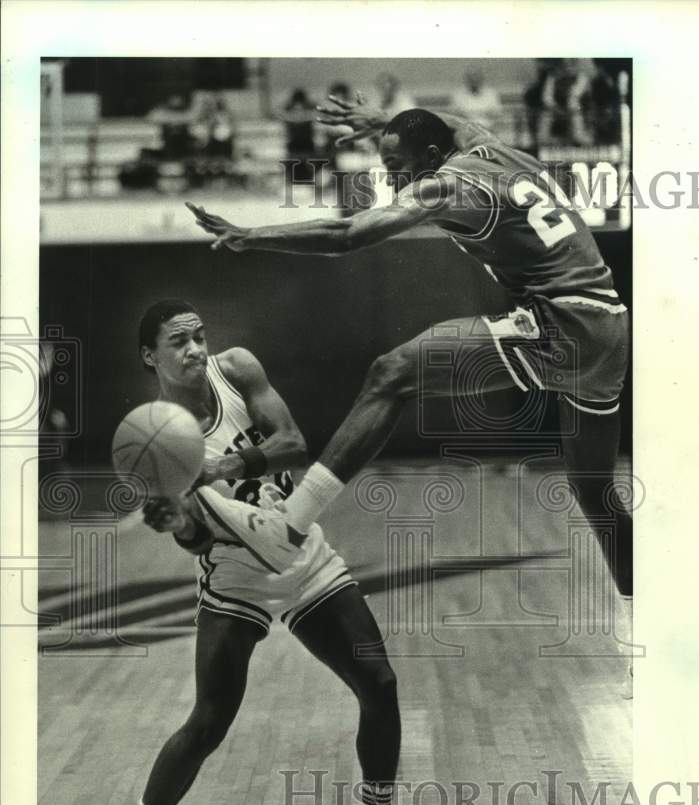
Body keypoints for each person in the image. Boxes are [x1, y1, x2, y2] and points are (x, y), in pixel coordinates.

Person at [185, 97, 634, 691]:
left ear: (429, 158)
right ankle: (651, 621)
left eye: (397, 168)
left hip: (563, 324)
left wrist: (253, 236)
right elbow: (450, 124)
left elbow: (347, 234)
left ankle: (290, 523)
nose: (391, 181)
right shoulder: (489, 146)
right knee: (595, 491)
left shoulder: (445, 187)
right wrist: (379, 123)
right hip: (609, 327)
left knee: (392, 373)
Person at [77, 299, 426, 805]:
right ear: (149, 358)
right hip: (234, 575)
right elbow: (198, 536)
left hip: (301, 554)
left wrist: (221, 465)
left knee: (380, 682)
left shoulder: (235, 369)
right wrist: (177, 518)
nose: (195, 350)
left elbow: (295, 442)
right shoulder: (151, 440)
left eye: (199, 336)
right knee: (208, 720)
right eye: (178, 343)